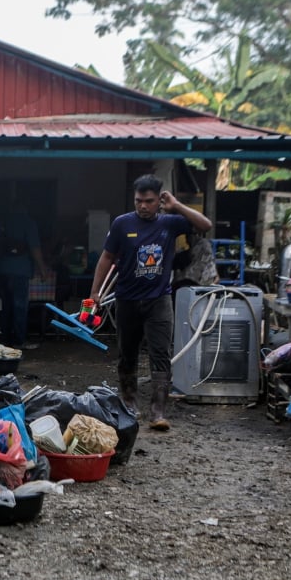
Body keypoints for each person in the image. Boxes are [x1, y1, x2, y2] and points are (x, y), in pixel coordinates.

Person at [90, 174, 212, 431]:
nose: (143, 206)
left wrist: (177, 205)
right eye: (138, 201)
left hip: (159, 300)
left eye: (148, 201)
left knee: (161, 355)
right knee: (127, 355)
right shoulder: (123, 224)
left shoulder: (170, 223)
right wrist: (95, 293)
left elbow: (205, 225)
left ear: (159, 200)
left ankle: (158, 412)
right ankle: (130, 405)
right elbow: (107, 258)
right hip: (127, 300)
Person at [0, 199, 50, 350]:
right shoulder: (28, 223)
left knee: (6, 306)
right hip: (20, 271)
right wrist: (43, 269)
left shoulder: (3, 223)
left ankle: (5, 340)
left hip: (2, 271)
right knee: (19, 307)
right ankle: (19, 341)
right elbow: (35, 248)